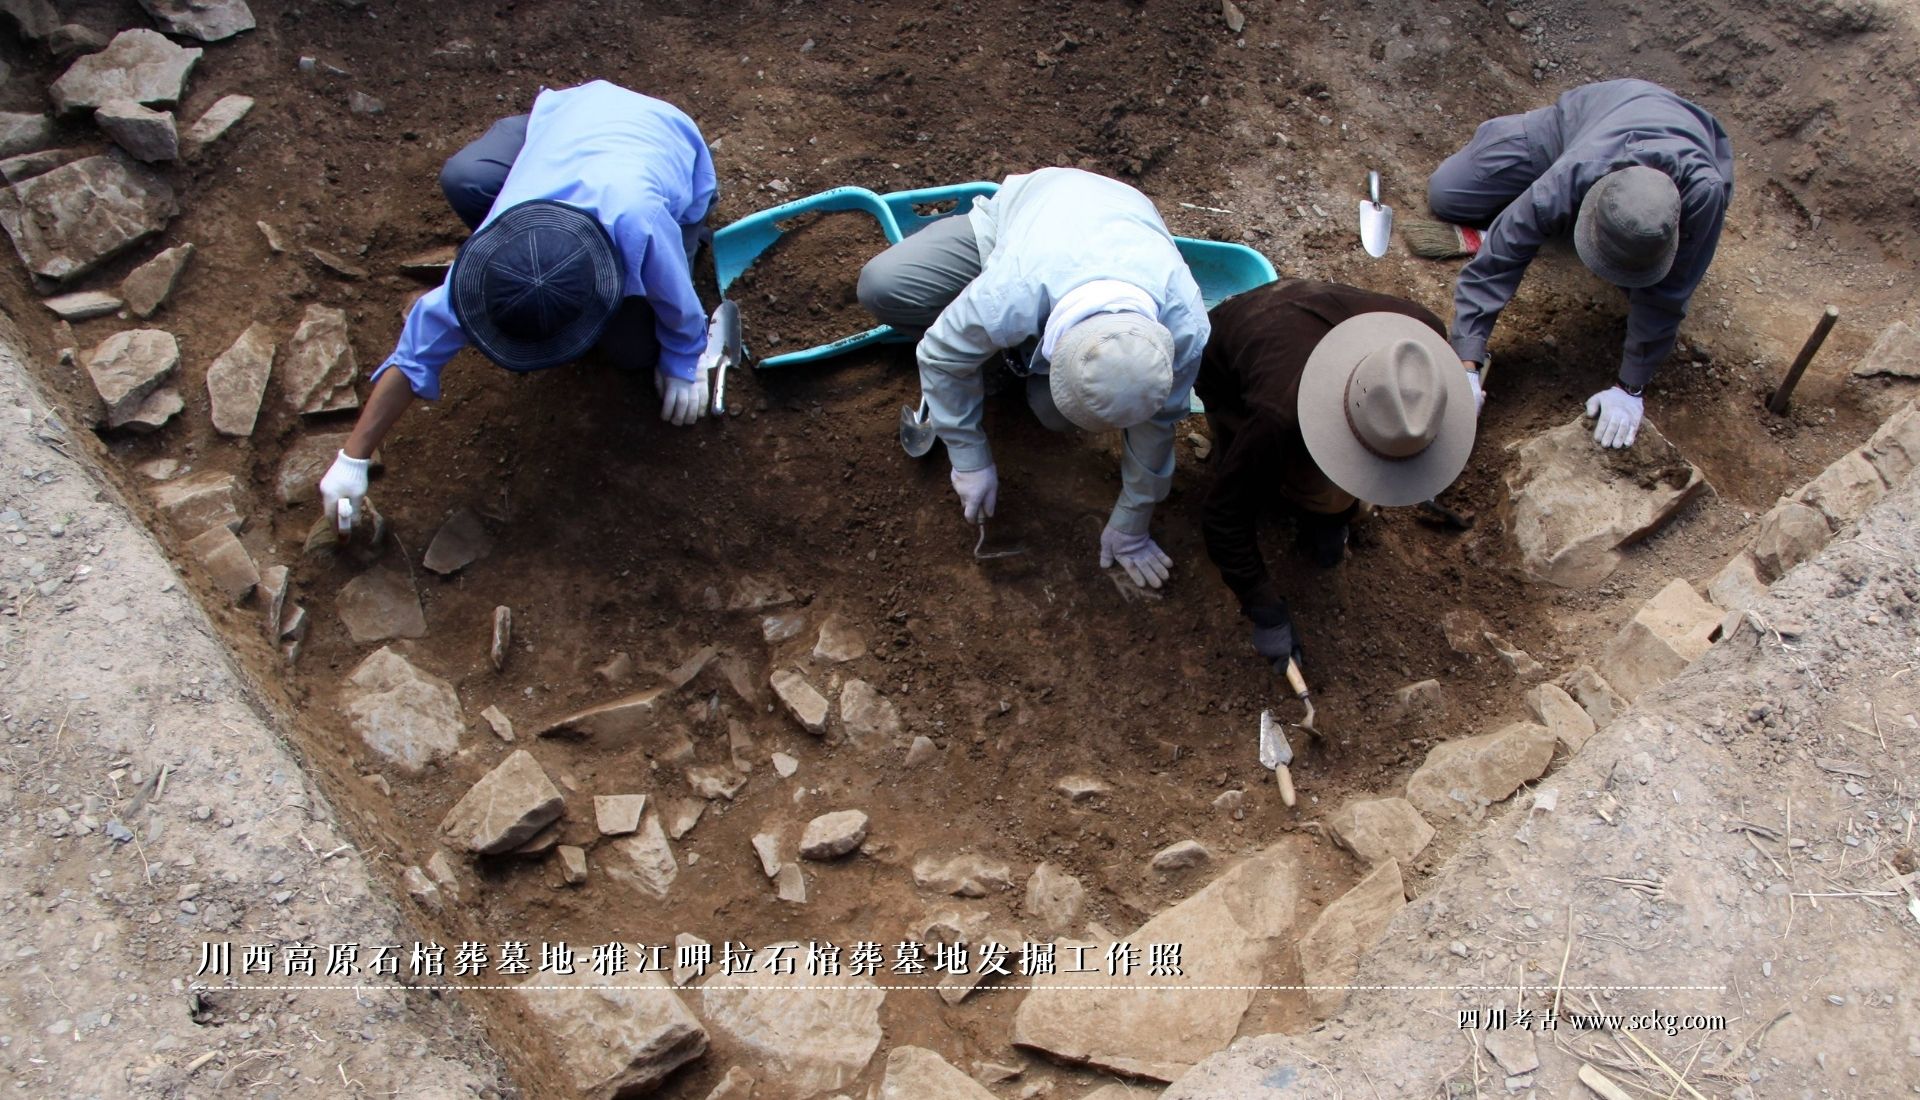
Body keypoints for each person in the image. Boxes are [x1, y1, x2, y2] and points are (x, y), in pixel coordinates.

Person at [319, 80, 720, 530]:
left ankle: (696, 235)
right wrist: (352, 458)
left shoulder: (638, 224)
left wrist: (687, 357)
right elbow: (416, 355)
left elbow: (679, 304)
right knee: (466, 179)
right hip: (574, 115)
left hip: (665, 142)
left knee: (633, 349)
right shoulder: (487, 269)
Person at [856, 167, 1209, 588]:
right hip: (1030, 216)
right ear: (1052, 346)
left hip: (1121, 232)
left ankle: (1006, 359)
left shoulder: (1185, 330)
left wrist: (1133, 520)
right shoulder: (1009, 292)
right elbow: (940, 352)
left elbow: (1157, 425)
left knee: (1053, 411)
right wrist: (969, 457)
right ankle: (999, 354)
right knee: (883, 286)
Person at [1427, 78, 1734, 449]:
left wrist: (1630, 388)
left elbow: (1669, 296)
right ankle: (1564, 218)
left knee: (1644, 290)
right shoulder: (1578, 168)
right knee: (1448, 193)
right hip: (1583, 124)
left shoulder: (1705, 195)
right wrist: (1466, 361)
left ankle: (1588, 235)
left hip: (1687, 136)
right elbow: (1507, 243)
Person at [1195, 280, 1476, 666]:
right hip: (1228, 358)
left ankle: (1325, 513)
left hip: (1300, 329)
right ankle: (1296, 496)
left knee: (1333, 495)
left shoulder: (1420, 352)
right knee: (1291, 481)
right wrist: (1263, 607)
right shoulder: (1278, 416)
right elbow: (1223, 516)